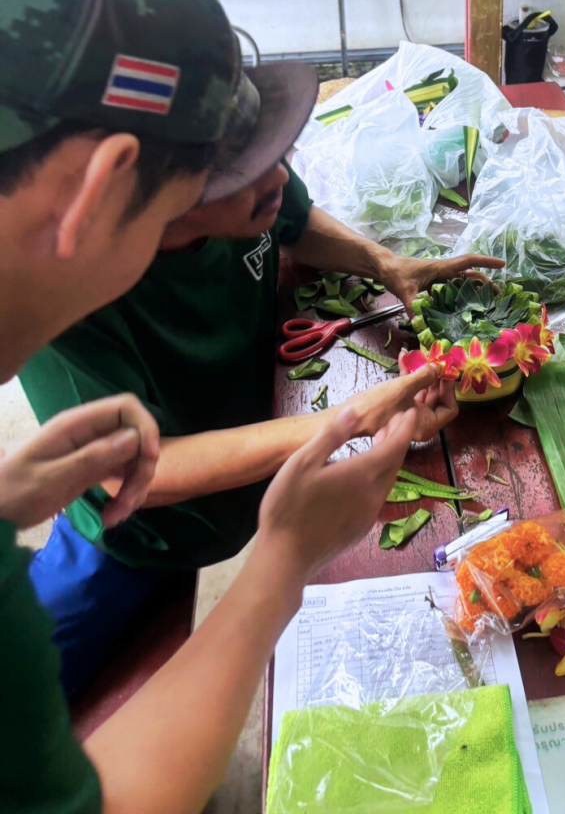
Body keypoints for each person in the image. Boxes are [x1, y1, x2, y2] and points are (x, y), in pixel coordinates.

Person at [0, 0, 443, 814]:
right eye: (182, 202)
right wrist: (279, 566)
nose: (264, 190)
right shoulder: (81, 318)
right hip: (137, 537)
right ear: (101, 187)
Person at [20, 151, 493, 696]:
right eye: (243, 163)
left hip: (252, 468)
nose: (280, 176)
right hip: (141, 536)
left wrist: (385, 264)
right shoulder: (61, 289)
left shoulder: (253, 185)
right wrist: (348, 420)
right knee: (24, 690)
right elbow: (126, 472)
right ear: (143, 182)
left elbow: (296, 222)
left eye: (276, 150)